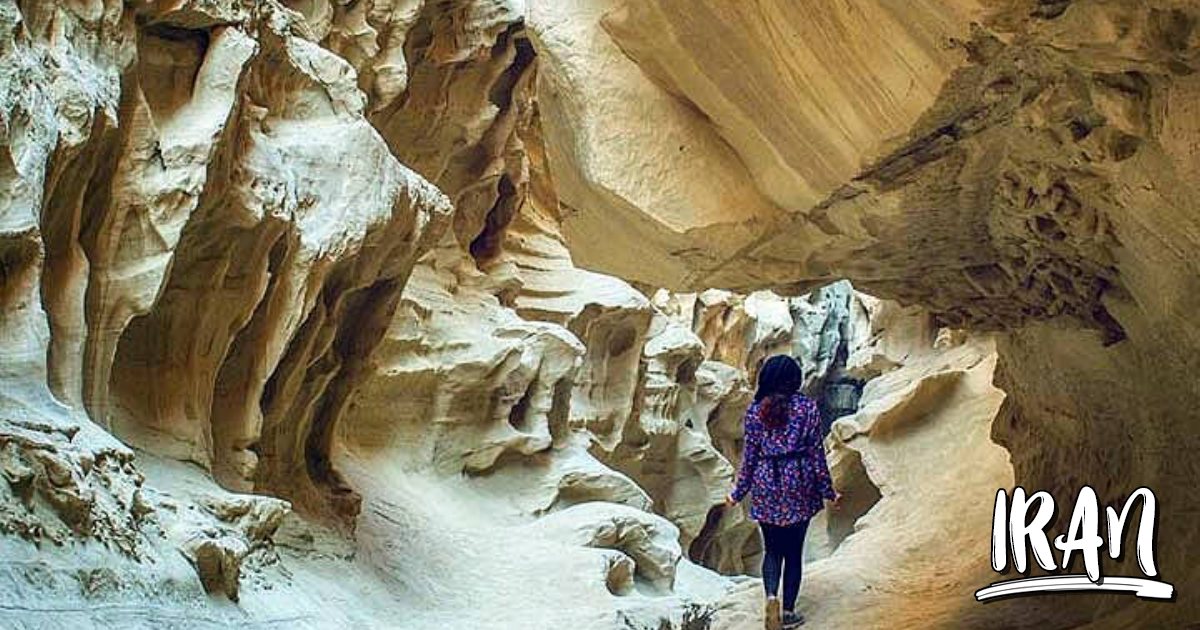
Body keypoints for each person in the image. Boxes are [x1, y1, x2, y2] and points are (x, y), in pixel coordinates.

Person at [725, 355, 839, 630]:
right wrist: (828, 490)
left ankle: (771, 596)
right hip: (799, 480)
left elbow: (749, 457)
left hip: (766, 481)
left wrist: (738, 493)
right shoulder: (807, 408)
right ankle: (787, 611)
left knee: (772, 550)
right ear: (794, 379)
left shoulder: (755, 411)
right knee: (793, 552)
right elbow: (816, 454)